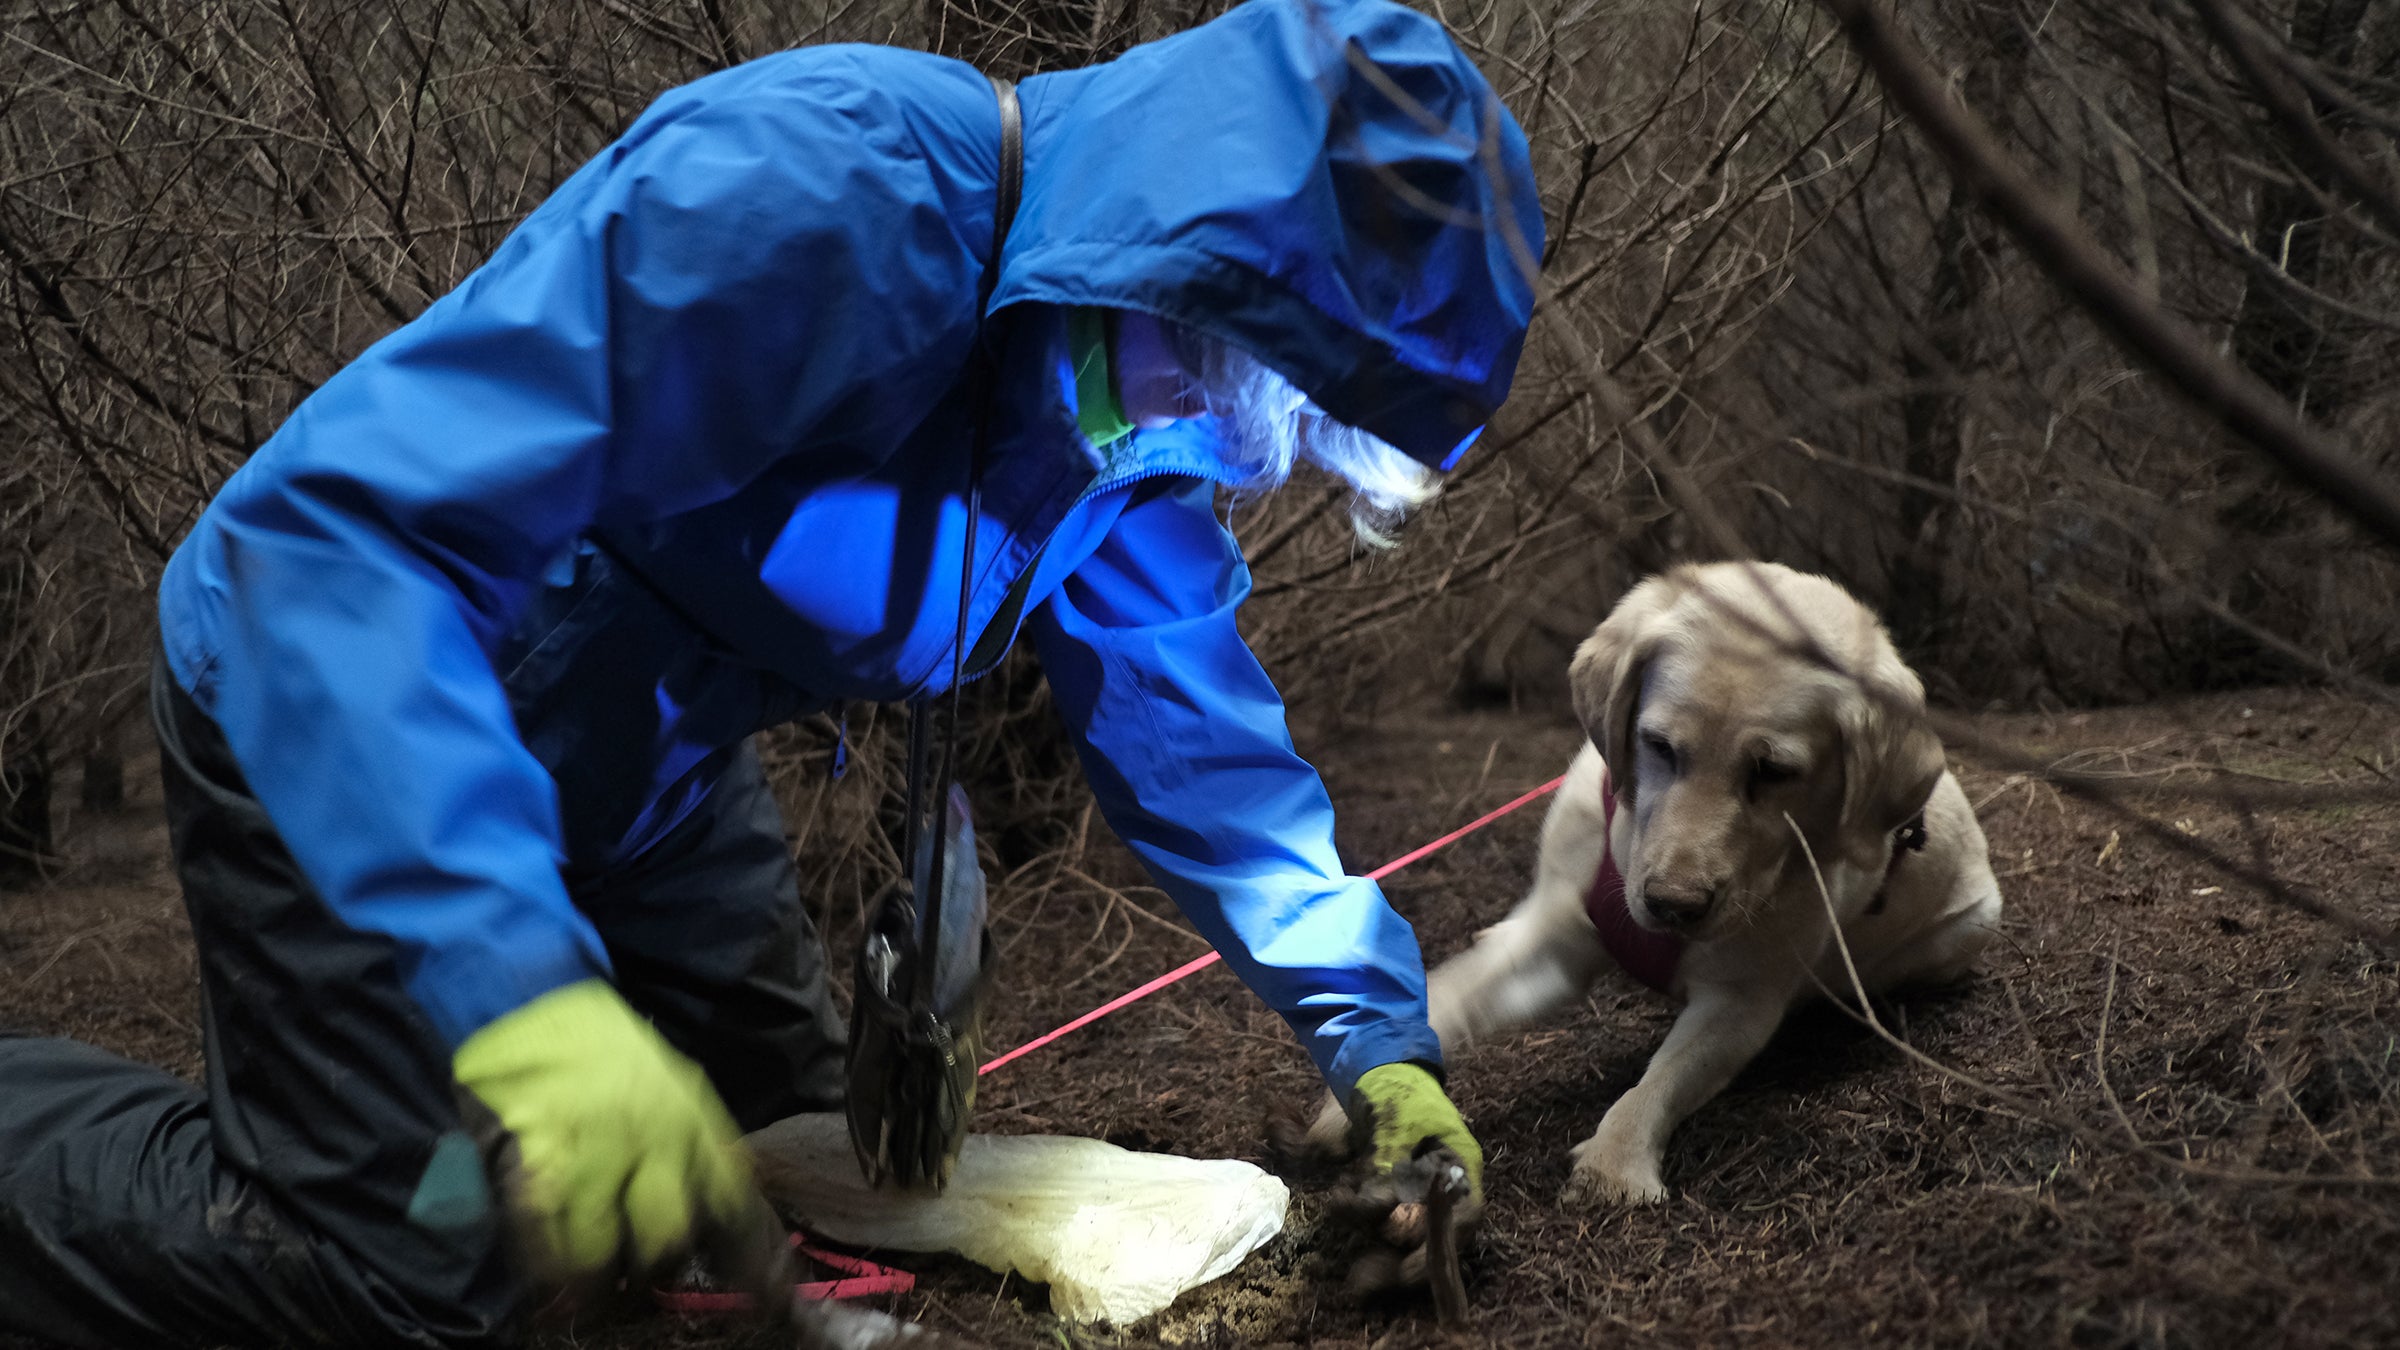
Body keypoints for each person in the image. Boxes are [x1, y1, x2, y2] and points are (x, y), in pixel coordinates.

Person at [0, 0, 1540, 1344]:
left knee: (808, 1171)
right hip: (348, 713)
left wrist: (1375, 1036)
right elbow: (340, 549)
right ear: (1180, 253)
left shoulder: (1115, 418)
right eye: (1241, 382)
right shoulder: (819, 196)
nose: (1222, 443)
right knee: (406, 1270)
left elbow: (1185, 716)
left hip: (650, 778)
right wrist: (525, 993)